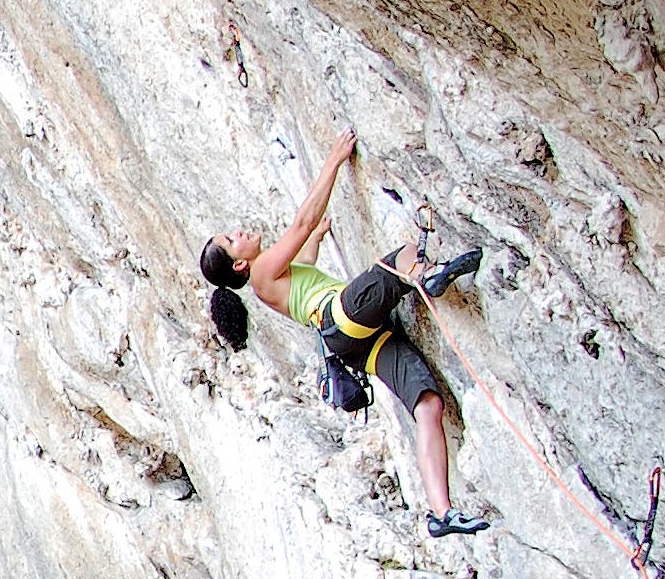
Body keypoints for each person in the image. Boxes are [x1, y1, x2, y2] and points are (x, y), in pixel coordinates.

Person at [199, 129, 489, 538]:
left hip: (354, 345)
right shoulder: (263, 271)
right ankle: (428, 274)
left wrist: (316, 240)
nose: (240, 233)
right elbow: (303, 222)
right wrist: (333, 160)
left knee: (428, 405)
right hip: (341, 317)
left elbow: (306, 257)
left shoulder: (271, 279)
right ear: (240, 266)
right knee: (397, 259)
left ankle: (441, 512)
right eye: (233, 241)